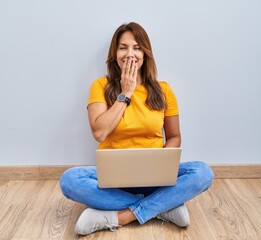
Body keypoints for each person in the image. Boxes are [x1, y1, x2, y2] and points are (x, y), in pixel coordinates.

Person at [59, 22, 214, 235]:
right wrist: (126, 93)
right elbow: (99, 133)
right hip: (113, 180)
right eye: (123, 47)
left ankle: (119, 215)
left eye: (137, 47)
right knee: (70, 180)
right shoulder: (100, 86)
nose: (130, 54)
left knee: (203, 172)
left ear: (145, 53)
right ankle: (163, 207)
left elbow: (175, 136)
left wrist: (162, 165)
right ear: (114, 54)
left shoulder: (164, 90)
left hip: (154, 177)